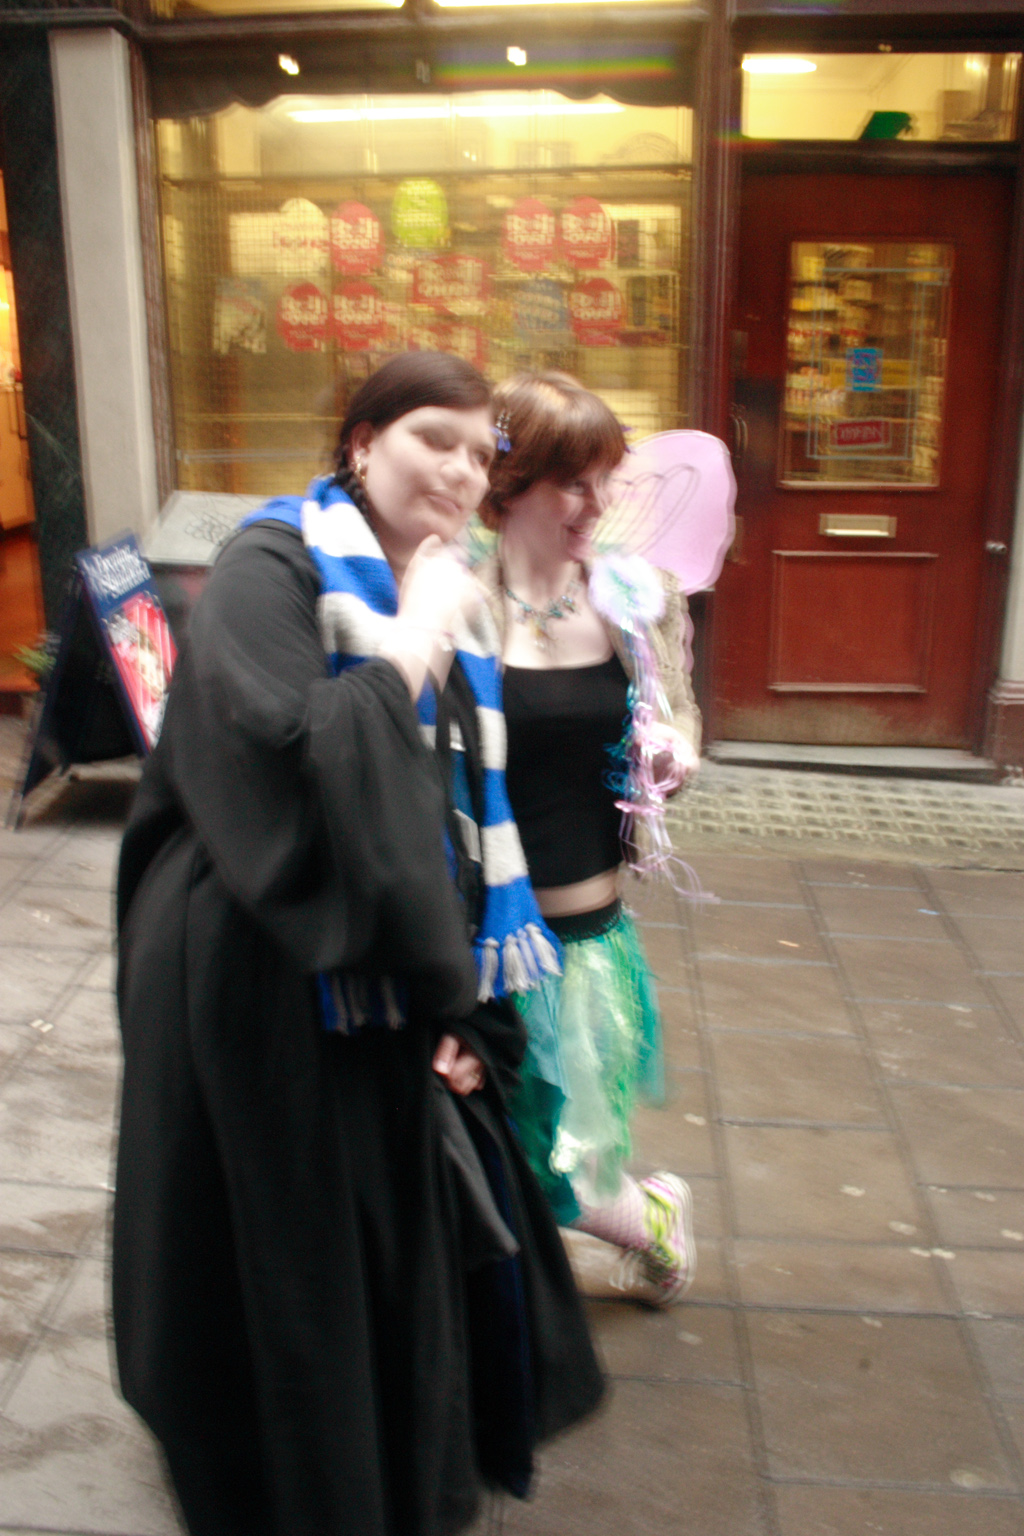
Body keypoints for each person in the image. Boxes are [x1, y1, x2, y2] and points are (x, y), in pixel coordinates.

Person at [112, 352, 603, 1536]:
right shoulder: (271, 565)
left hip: (388, 969)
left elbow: (452, 811)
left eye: (480, 452)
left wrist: (463, 1005)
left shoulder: (440, 582)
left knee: (385, 1268)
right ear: (362, 441)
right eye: (433, 437)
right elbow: (288, 770)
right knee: (284, 1277)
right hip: (260, 977)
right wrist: (417, 634)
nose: (459, 469)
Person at [474, 370, 702, 1306]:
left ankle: (654, 1221)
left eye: (605, 478)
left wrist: (674, 753)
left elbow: (678, 714)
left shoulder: (635, 600)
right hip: (479, 939)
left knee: (549, 1163)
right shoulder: (454, 601)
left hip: (583, 944)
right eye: (575, 482)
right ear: (510, 484)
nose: (599, 503)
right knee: (496, 1154)